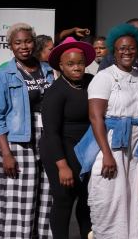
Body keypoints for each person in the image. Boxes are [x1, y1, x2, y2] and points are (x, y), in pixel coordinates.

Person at [0, 22, 55, 238]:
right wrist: (6, 154)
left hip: (46, 139)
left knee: (46, 196)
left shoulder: (47, 70)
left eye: (27, 41)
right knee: (20, 201)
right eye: (18, 42)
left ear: (34, 43)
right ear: (10, 46)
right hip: (17, 142)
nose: (24, 46)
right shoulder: (3, 75)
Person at [83, 22, 138, 239]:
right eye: (122, 48)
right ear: (114, 50)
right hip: (112, 143)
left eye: (131, 47)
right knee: (110, 196)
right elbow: (95, 117)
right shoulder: (105, 76)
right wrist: (108, 155)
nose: (127, 52)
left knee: (130, 199)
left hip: (135, 146)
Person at [41, 37, 96, 239]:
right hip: (60, 150)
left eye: (80, 63)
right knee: (64, 200)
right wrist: (62, 166)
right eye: (70, 64)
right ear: (61, 66)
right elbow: (51, 132)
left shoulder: (91, 82)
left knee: (86, 200)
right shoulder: (55, 92)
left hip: (86, 151)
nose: (76, 67)